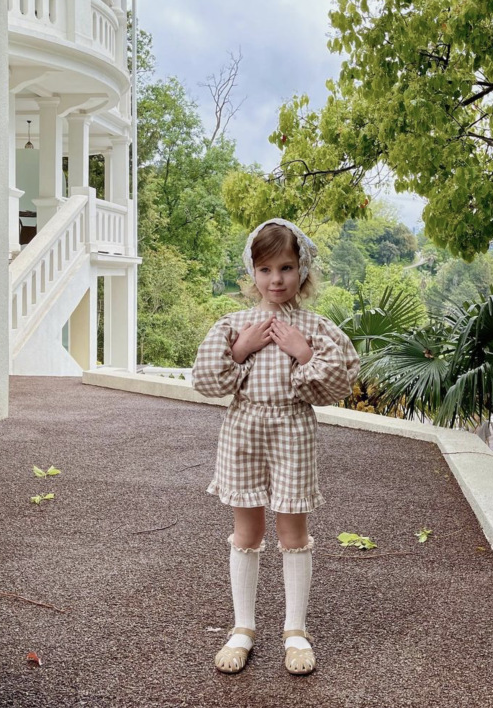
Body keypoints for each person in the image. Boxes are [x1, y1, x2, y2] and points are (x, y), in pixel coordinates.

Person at [192, 218, 360, 675]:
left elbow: (340, 381)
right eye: (265, 269)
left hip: (293, 432)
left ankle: (295, 631)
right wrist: (241, 350)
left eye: (286, 267)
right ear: (252, 272)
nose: (276, 279)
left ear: (302, 269)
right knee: (246, 531)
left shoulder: (316, 327)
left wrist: (304, 352)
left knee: (293, 532)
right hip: (243, 431)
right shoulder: (235, 325)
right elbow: (206, 380)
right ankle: (242, 628)